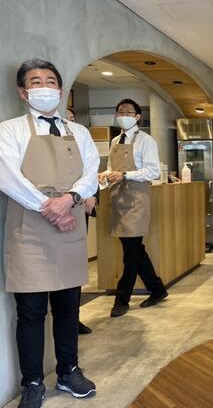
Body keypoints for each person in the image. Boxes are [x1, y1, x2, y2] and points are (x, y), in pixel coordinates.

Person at [0, 59, 99, 408]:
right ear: (23, 92)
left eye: (50, 81)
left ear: (60, 89)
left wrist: (68, 200)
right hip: (29, 229)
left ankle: (69, 370)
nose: (45, 87)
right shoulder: (9, 130)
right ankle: (32, 382)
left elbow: (91, 173)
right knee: (30, 312)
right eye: (35, 81)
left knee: (69, 307)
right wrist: (50, 208)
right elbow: (7, 177)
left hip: (69, 224)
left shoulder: (80, 132)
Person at [99, 99, 167, 318]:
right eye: (120, 111)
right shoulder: (114, 141)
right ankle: (157, 289)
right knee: (134, 249)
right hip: (118, 198)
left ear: (137, 117)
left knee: (131, 251)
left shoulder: (146, 141)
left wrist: (125, 175)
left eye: (129, 112)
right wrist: (105, 175)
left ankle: (122, 299)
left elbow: (153, 171)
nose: (124, 115)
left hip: (136, 199)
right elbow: (112, 167)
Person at [65, 108, 95, 335]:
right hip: (43, 212)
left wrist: (90, 194)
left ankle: (73, 319)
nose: (69, 123)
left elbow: (92, 171)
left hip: (77, 208)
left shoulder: (82, 137)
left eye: (72, 119)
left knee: (73, 266)